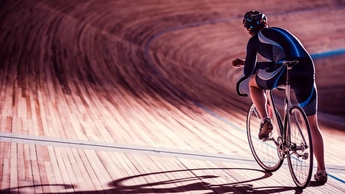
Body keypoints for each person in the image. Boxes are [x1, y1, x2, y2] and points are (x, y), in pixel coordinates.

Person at [231, 10, 327, 184]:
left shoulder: (254, 40)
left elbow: (248, 72)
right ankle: (321, 170)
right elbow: (285, 57)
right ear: (266, 22)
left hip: (282, 71)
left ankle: (265, 120)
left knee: (253, 83)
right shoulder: (282, 31)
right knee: (313, 125)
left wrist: (249, 63)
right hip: (306, 71)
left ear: (248, 29)